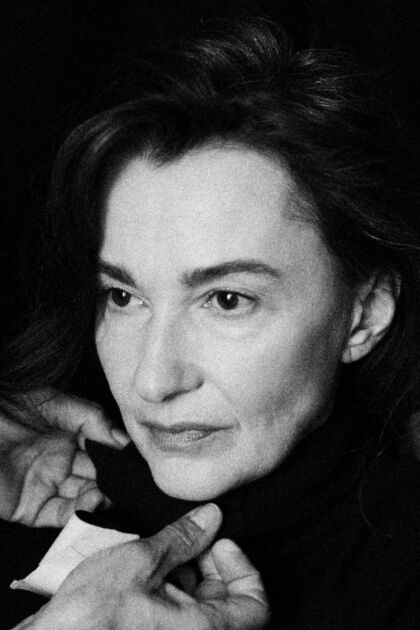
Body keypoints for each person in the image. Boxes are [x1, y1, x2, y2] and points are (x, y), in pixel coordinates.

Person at [8, 18, 420, 629]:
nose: (152, 381)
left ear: (364, 317)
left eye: (226, 300)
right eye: (122, 296)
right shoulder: (27, 488)